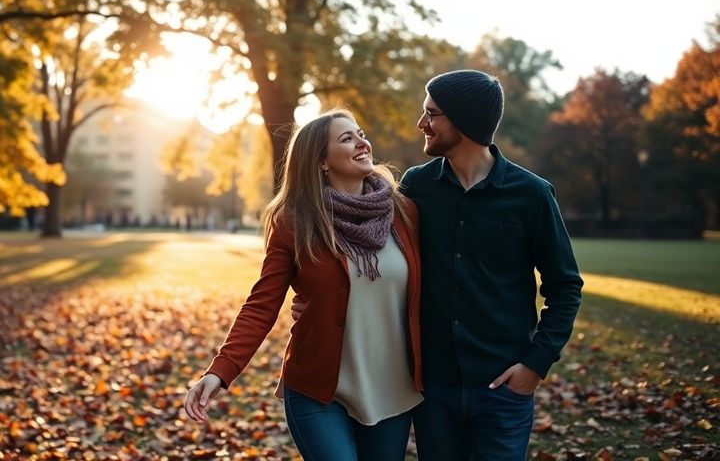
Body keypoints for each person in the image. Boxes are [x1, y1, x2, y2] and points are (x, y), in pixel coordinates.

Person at [183, 110, 425, 459]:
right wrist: (220, 371)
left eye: (360, 133)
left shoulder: (403, 212)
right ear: (322, 161)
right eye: (347, 139)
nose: (362, 142)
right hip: (318, 391)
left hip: (392, 391)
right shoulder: (294, 221)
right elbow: (262, 303)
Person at [400, 69, 583, 460]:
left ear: (463, 121)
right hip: (433, 391)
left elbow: (564, 286)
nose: (422, 123)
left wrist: (535, 364)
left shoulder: (531, 195)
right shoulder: (416, 188)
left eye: (431, 114)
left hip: (503, 391)